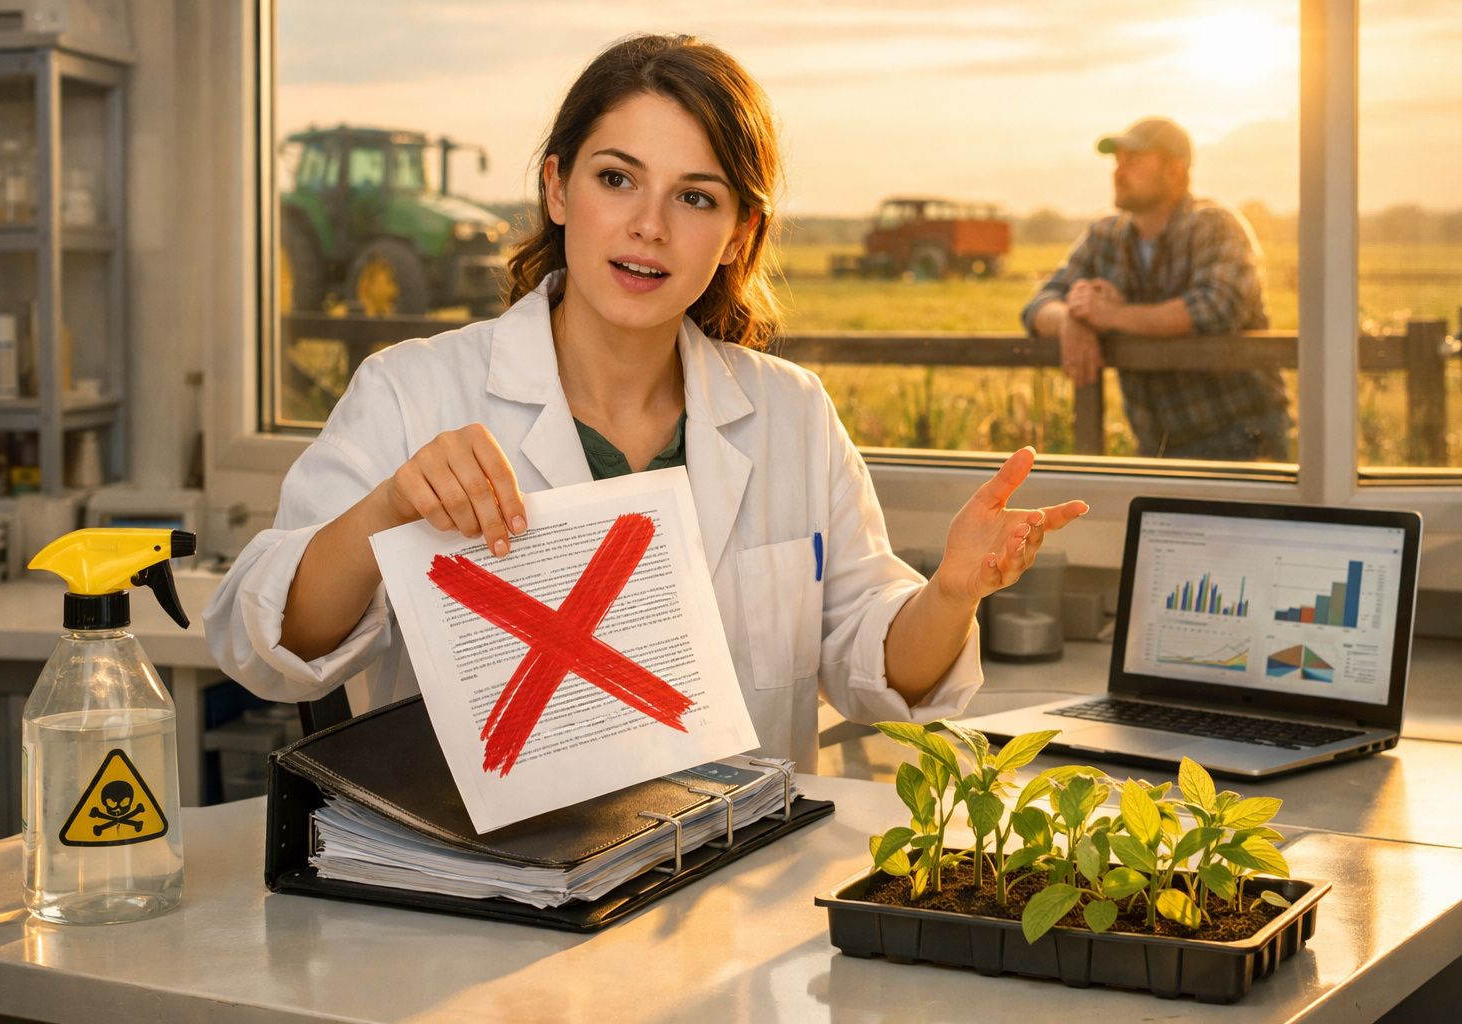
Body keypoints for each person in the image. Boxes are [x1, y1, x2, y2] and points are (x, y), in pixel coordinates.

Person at [205, 34, 1087, 772]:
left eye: (694, 197)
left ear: (739, 233)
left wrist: (953, 593)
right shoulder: (412, 391)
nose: (649, 226)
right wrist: (390, 508)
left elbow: (871, 665)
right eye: (617, 179)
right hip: (484, 916)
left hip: (720, 905)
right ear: (557, 190)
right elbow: (266, 644)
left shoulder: (790, 414)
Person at [1021, 117, 1290, 461]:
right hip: (1156, 448)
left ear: (1174, 171)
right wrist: (1071, 321)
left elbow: (1216, 308)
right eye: (1117, 162)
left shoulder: (1215, 224)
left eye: (1132, 161)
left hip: (1243, 438)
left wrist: (1111, 316)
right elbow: (1040, 302)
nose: (1118, 172)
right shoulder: (1106, 235)